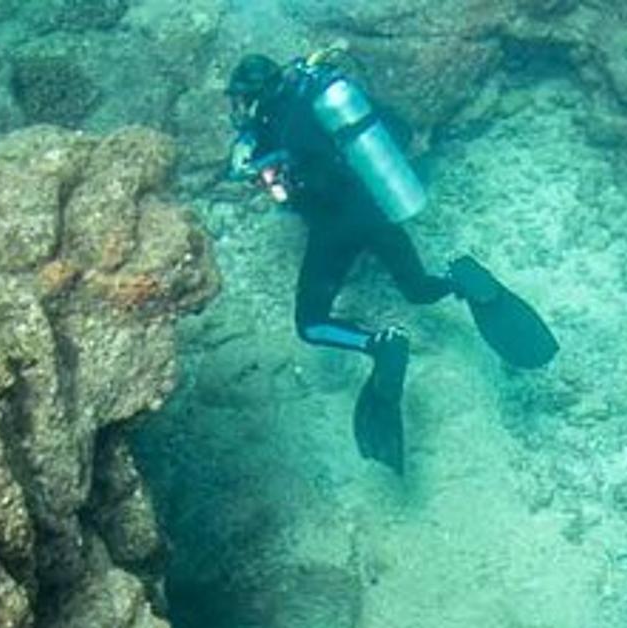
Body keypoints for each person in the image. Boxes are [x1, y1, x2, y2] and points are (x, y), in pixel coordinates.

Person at [223, 50, 557, 474]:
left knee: (310, 324)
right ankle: (461, 280)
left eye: (241, 98)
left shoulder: (278, 126)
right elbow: (396, 131)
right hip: (380, 210)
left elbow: (286, 187)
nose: (238, 107)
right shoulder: (321, 94)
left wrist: (276, 178)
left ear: (258, 94)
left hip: (337, 230)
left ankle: (378, 345)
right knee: (417, 289)